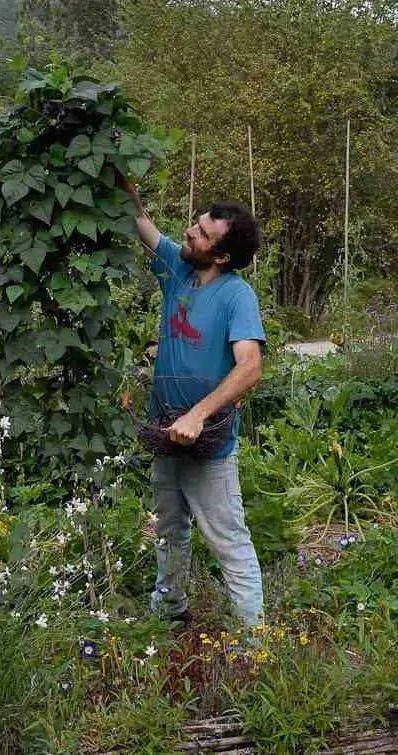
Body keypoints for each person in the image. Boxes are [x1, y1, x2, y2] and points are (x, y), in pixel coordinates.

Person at [119, 175, 266, 629]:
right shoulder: (178, 271)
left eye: (201, 233)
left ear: (221, 255)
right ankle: (170, 613)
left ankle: (255, 648)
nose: (189, 231)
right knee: (168, 531)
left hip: (207, 442)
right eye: (196, 223)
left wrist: (199, 414)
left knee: (228, 542)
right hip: (166, 432)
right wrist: (116, 170)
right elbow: (139, 218)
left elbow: (250, 366)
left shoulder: (237, 296)